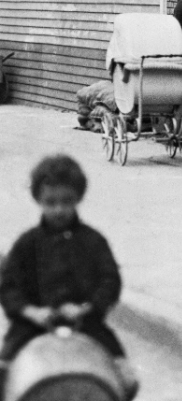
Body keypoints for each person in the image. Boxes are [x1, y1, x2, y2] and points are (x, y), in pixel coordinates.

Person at [0, 155, 138, 399]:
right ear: (38, 200)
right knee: (4, 374)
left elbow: (110, 281)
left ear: (78, 198)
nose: (59, 209)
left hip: (85, 322)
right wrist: (31, 311)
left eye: (67, 201)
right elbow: (8, 286)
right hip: (33, 325)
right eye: (50, 202)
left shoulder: (93, 241)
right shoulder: (27, 243)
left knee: (125, 378)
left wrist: (86, 307)